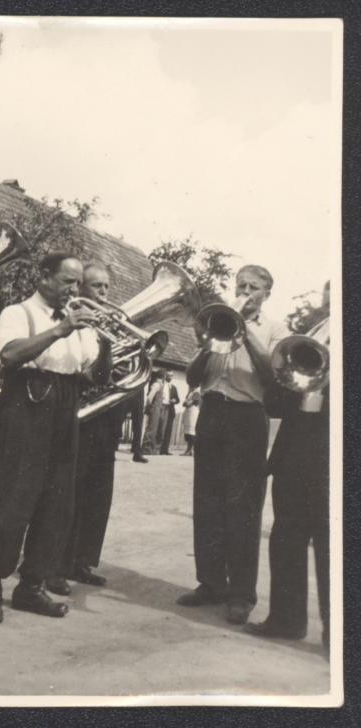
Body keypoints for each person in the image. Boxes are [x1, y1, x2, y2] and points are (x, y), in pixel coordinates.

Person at [0, 252, 112, 624]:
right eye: (68, 280)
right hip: (25, 401)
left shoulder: (80, 323)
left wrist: (105, 341)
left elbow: (90, 375)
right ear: (44, 277)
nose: (75, 288)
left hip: (66, 405)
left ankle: (30, 586)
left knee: (57, 503)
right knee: (12, 500)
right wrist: (60, 329)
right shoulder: (17, 312)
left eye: (78, 281)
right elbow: (10, 354)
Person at [177, 264, 288, 625]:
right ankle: (210, 583)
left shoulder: (275, 330)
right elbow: (194, 377)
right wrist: (212, 341)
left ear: (265, 294)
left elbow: (272, 377)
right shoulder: (216, 322)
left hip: (247, 417)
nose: (244, 291)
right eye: (240, 284)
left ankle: (241, 594)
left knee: (243, 509)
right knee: (207, 501)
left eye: (253, 287)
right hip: (212, 412)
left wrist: (243, 332)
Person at [245, 282, 330, 651]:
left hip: (332, 451)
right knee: (286, 537)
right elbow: (278, 401)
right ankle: (286, 620)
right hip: (295, 450)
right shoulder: (315, 331)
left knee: (332, 544)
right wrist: (287, 387)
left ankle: (337, 631)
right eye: (331, 293)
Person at [47, 262, 125, 595]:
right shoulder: (72, 319)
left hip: (105, 418)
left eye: (107, 287)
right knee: (69, 492)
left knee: (98, 493)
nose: (104, 293)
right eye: (97, 286)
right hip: (78, 413)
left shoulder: (108, 326)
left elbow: (108, 372)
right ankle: (55, 565)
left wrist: (111, 346)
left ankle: (82, 561)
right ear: (81, 289)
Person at [140, 370, 164, 455]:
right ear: (161, 377)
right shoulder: (157, 385)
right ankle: (145, 448)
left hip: (158, 408)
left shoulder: (159, 385)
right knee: (151, 428)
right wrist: (149, 407)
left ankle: (150, 448)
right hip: (154, 408)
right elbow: (149, 397)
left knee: (154, 428)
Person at [159, 370, 180, 455]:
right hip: (161, 408)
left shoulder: (174, 387)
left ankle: (165, 450)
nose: (170, 377)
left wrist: (175, 400)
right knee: (159, 429)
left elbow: (178, 399)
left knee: (168, 430)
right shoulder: (161, 385)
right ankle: (157, 448)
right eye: (168, 375)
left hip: (170, 410)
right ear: (165, 375)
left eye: (171, 376)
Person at [181, 387, 201, 456]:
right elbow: (184, 403)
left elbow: (188, 404)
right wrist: (186, 403)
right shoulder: (191, 391)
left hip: (193, 412)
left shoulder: (197, 391)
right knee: (188, 433)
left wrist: (186, 403)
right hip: (188, 412)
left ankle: (189, 450)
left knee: (191, 432)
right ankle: (189, 450)